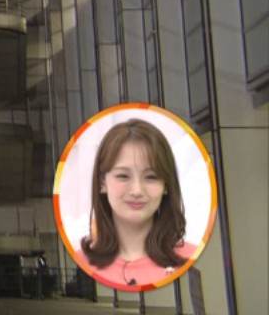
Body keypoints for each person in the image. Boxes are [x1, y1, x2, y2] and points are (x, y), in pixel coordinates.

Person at [74, 118, 198, 290]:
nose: (137, 191)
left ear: (166, 185)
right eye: (123, 176)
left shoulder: (191, 259)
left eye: (151, 177)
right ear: (102, 182)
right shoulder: (81, 262)